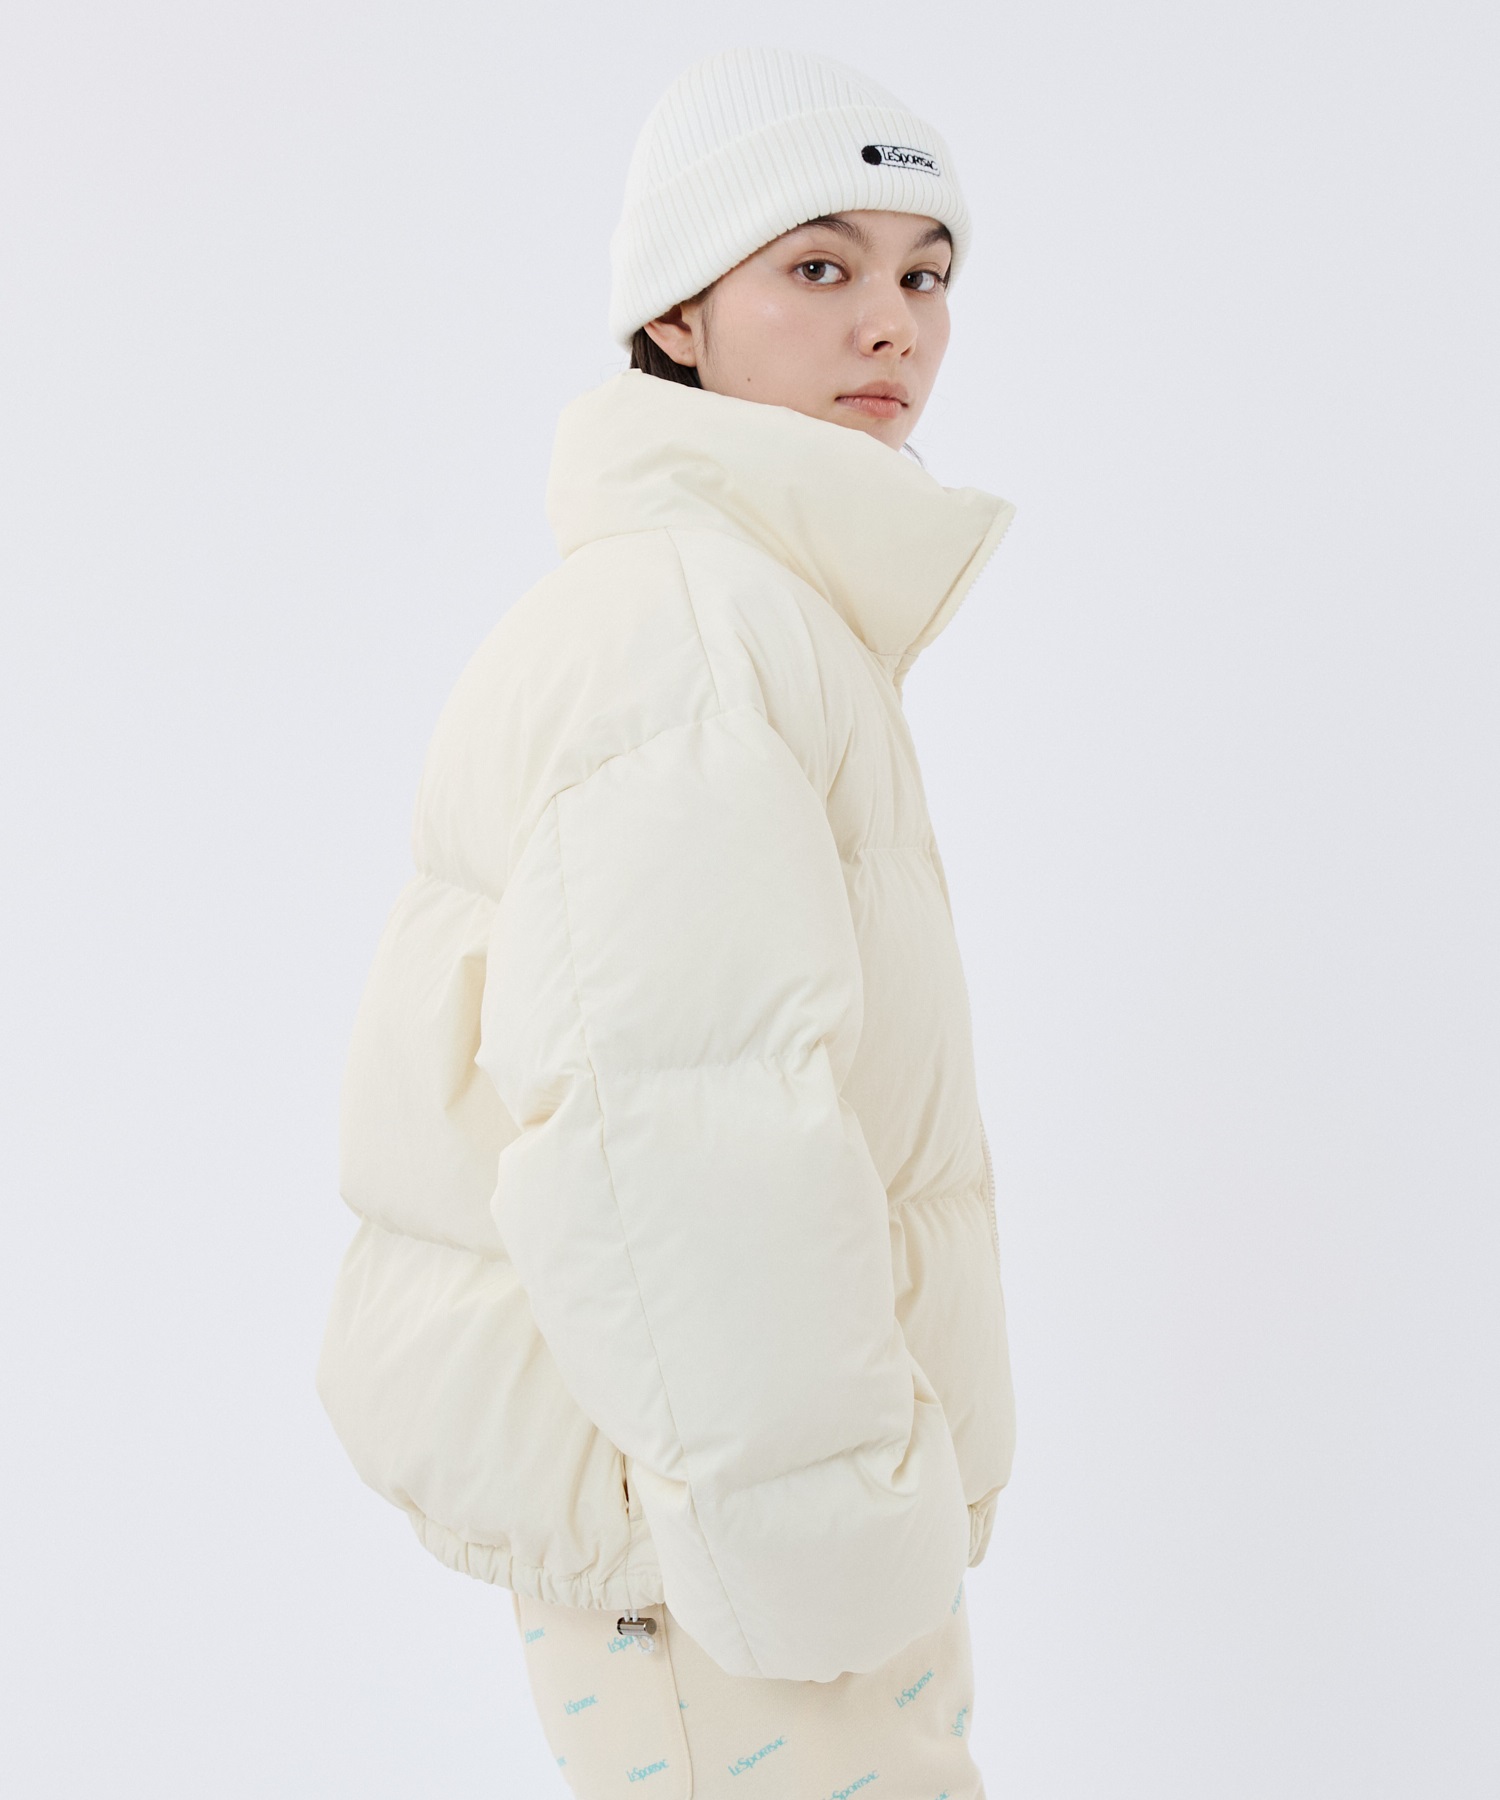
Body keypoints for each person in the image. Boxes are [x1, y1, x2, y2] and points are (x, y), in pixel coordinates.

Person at [317, 44, 1018, 1799]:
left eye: (926, 274)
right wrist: (824, 1555)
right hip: (739, 1553)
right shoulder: (692, 632)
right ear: (676, 316)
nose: (893, 323)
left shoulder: (752, 610)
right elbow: (674, 1133)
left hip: (751, 1515)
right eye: (820, 265)